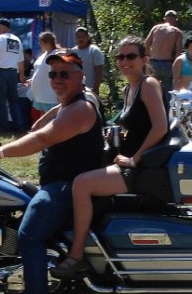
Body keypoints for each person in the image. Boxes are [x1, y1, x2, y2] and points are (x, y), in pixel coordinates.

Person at [0, 49, 104, 294]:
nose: (57, 79)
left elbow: (42, 137)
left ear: (80, 75)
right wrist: (58, 106)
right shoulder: (76, 100)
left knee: (29, 236)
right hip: (60, 181)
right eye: (53, 73)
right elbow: (39, 127)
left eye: (65, 74)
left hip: (64, 186)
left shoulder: (80, 108)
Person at [53, 37, 168, 279]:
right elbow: (140, 126)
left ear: (144, 59)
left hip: (143, 167)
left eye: (130, 56)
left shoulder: (149, 84)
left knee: (81, 184)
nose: (124, 61)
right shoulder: (130, 88)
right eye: (120, 57)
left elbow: (160, 127)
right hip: (130, 159)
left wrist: (134, 159)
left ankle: (76, 255)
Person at [0, 18, 25, 133]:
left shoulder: (0, 38)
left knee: (0, 102)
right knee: (13, 101)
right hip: (13, 73)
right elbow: (21, 60)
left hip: (1, 72)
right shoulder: (17, 40)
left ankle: (3, 128)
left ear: (3, 27)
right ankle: (19, 125)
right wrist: (22, 76)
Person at [145, 10, 184, 95]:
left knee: (150, 89)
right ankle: (166, 107)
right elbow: (178, 51)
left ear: (164, 18)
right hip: (167, 63)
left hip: (153, 62)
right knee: (167, 92)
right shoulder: (177, 32)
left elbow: (146, 44)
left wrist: (150, 55)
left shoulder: (155, 28)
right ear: (176, 19)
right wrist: (177, 67)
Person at [28, 32, 59, 122]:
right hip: (39, 94)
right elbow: (39, 70)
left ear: (48, 42)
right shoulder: (43, 54)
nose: (40, 44)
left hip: (50, 94)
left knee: (51, 119)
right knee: (41, 117)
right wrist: (32, 80)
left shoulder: (56, 54)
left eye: (41, 42)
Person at [72, 26, 105, 93]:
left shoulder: (94, 50)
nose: (80, 39)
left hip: (90, 88)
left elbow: (99, 70)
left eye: (83, 37)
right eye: (78, 37)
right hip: (76, 89)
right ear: (75, 38)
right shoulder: (73, 52)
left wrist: (96, 88)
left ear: (87, 37)